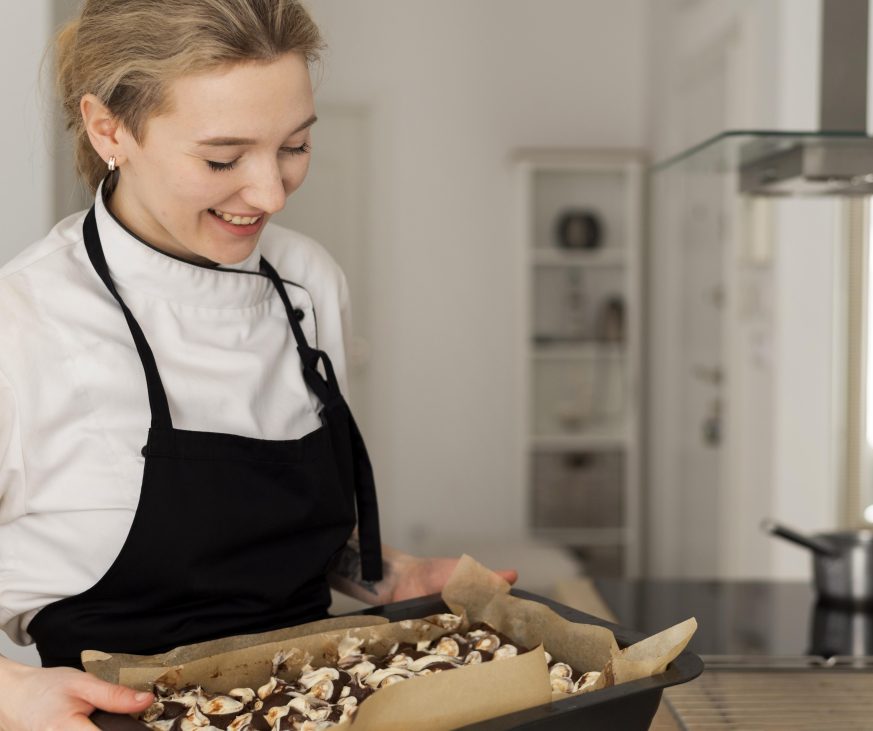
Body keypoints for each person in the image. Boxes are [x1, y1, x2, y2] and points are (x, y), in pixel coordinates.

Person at [0, 1, 515, 728]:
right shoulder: (22, 327)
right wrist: (12, 694)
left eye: (295, 146)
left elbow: (264, 532)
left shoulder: (310, 282)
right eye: (222, 159)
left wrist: (386, 572)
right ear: (109, 127)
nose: (270, 194)